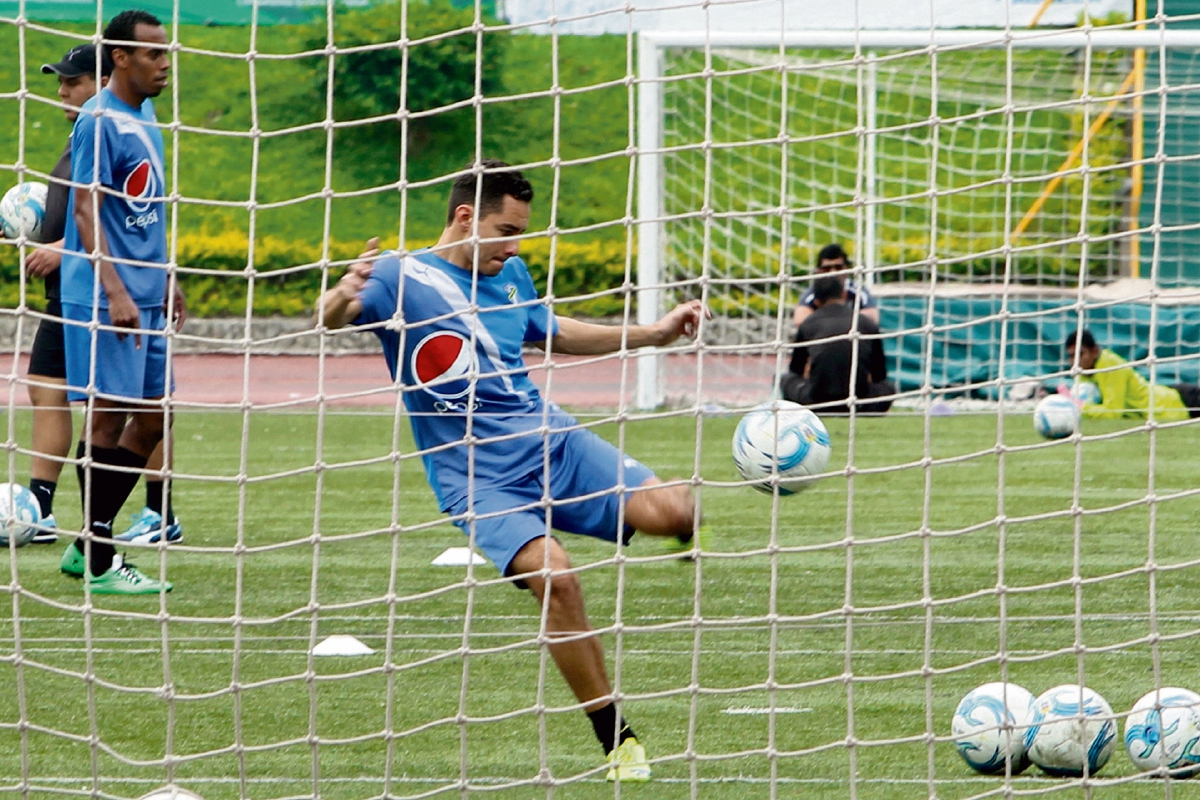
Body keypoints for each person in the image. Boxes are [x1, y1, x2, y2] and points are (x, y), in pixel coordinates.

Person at [316, 160, 709, 782]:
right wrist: (341, 294)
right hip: (478, 479)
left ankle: (681, 529)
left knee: (678, 511)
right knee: (559, 578)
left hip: (554, 445)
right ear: (465, 216)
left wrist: (652, 335)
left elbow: (552, 331)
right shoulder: (400, 275)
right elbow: (332, 315)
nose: (515, 245)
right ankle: (617, 741)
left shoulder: (510, 273)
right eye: (505, 230)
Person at [24, 43, 183, 548]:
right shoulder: (90, 130)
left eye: (73, 82)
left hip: (102, 292)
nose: (64, 93)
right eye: (61, 84)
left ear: (105, 79)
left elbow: (110, 216)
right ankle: (48, 511)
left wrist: (63, 253)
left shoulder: (115, 125)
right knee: (49, 391)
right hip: (75, 294)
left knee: (127, 409)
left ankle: (142, 517)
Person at [57, 9, 186, 594]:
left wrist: (166, 274)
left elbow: (145, 207)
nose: (165, 63)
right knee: (108, 416)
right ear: (120, 57)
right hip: (107, 296)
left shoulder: (146, 115)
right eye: (154, 54)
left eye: (166, 52)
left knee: (156, 415)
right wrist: (112, 286)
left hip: (147, 289)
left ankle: (89, 543)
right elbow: (85, 207)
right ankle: (103, 561)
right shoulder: (98, 119)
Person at [780, 275, 894, 414]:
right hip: (860, 402)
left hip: (816, 403)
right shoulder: (865, 322)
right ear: (845, 295)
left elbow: (796, 369)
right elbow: (879, 374)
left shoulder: (808, 323)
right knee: (888, 387)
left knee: (786, 380)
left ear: (815, 301)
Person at [1065, 329, 1200, 420]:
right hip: (1165, 398)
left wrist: (1080, 407)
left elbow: (1113, 412)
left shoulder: (1109, 365)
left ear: (1095, 351)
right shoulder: (1084, 373)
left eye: (1080, 354)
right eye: (1071, 356)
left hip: (1175, 403)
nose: (1075, 361)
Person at [793, 243, 879, 330]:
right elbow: (799, 321)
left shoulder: (858, 291)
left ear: (847, 269)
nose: (833, 272)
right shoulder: (812, 293)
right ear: (819, 271)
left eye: (838, 268)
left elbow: (872, 318)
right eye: (827, 269)